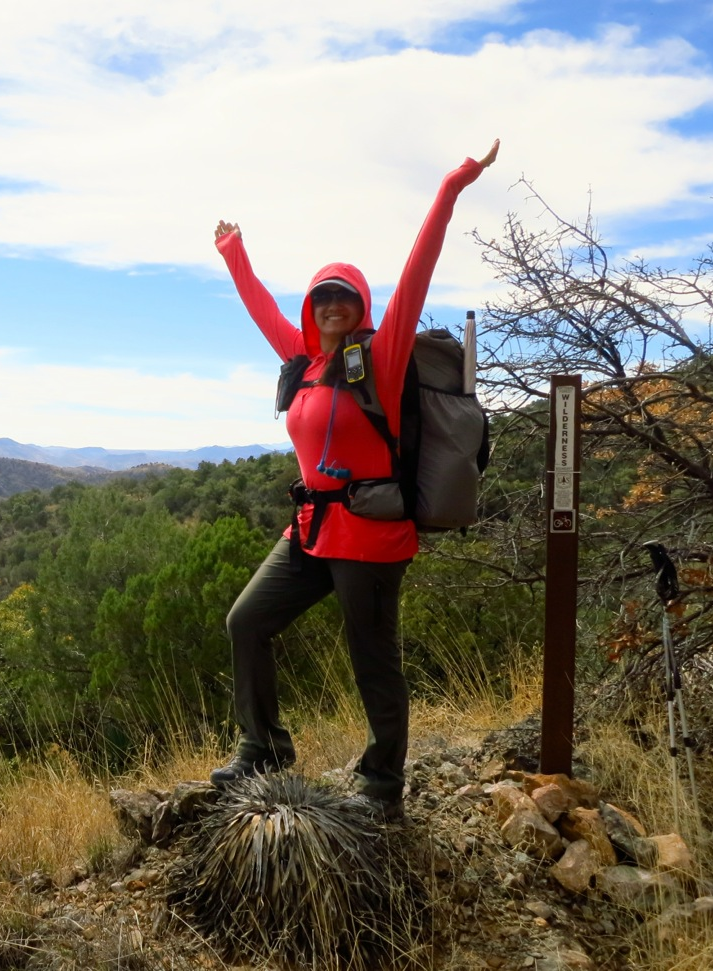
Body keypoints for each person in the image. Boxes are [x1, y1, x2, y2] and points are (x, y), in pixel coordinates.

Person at [210, 140, 500, 818]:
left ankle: (382, 784)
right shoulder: (303, 360)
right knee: (247, 621)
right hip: (312, 527)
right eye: (322, 297)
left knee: (372, 657)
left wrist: (451, 188)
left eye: (342, 296)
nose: (331, 305)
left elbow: (418, 271)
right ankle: (263, 746)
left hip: (370, 532)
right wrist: (233, 253)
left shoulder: (383, 356)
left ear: (360, 304)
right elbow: (260, 308)